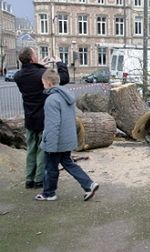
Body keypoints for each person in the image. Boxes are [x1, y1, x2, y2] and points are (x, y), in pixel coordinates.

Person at [35, 69, 99, 201]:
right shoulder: (66, 96)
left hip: (56, 141)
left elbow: (53, 125)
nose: (42, 85)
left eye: (42, 83)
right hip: (67, 139)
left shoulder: (52, 100)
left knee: (50, 167)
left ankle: (49, 193)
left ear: (48, 82)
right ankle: (89, 184)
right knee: (68, 164)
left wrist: (50, 145)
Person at [14, 47, 70, 189]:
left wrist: (41, 67)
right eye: (36, 55)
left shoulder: (18, 76)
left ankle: (29, 179)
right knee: (41, 149)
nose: (38, 56)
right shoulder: (42, 73)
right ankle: (39, 179)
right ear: (32, 58)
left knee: (31, 148)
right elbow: (64, 79)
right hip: (44, 117)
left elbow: (31, 75)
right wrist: (59, 63)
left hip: (29, 117)